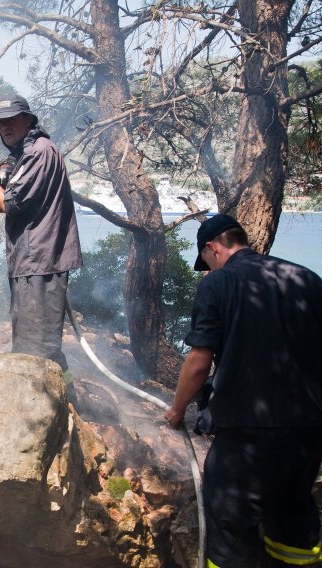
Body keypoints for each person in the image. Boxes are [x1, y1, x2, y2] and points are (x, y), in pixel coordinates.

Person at [165, 214, 322, 567]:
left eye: (205, 261)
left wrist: (177, 410)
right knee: (294, 519)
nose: (207, 268)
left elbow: (199, 361)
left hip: (248, 432)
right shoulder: (307, 278)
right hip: (309, 433)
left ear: (212, 248)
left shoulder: (218, 284)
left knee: (229, 531)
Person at [0, 94, 82, 379]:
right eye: (0, 123)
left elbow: (10, 203)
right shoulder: (27, 155)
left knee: (36, 351)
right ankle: (67, 408)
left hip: (40, 259)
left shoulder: (40, 151)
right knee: (37, 345)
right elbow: (16, 206)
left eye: (11, 119)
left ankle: (58, 413)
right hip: (31, 260)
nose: (5, 127)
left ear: (28, 119)